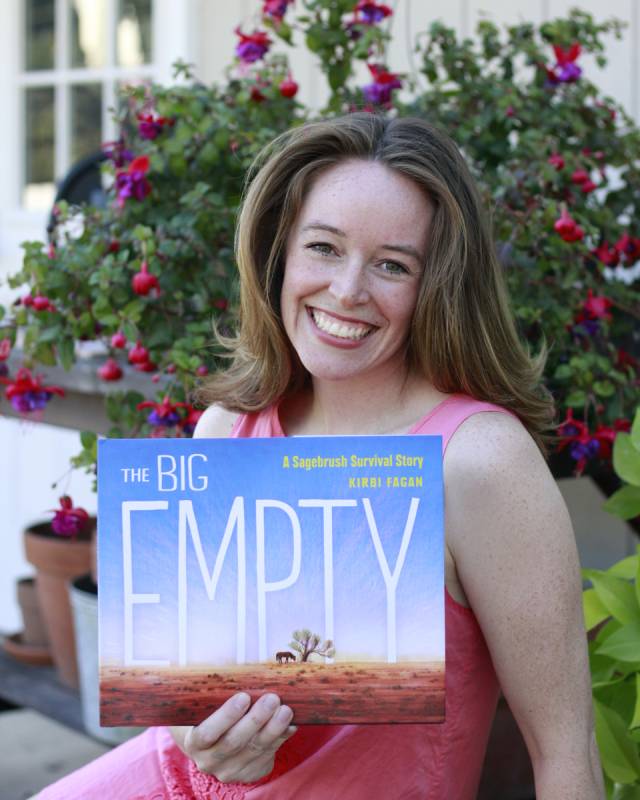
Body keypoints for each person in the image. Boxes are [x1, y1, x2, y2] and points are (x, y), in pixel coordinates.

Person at [36, 113, 604, 800]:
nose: (347, 290)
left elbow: (566, 755)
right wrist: (198, 733)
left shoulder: (478, 462)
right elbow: (184, 696)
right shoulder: (227, 430)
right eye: (324, 248)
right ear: (280, 253)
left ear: (438, 286)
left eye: (393, 265)